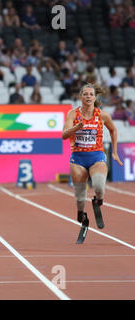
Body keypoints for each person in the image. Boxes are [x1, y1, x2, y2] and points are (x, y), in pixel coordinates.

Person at [61, 83, 123, 241]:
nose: (88, 96)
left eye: (91, 94)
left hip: (96, 156)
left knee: (99, 186)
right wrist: (76, 127)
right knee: (80, 199)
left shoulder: (102, 115)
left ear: (95, 98)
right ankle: (83, 216)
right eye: (85, 94)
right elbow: (64, 135)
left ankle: (97, 201)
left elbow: (113, 130)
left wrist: (114, 152)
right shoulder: (72, 114)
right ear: (81, 97)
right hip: (78, 158)